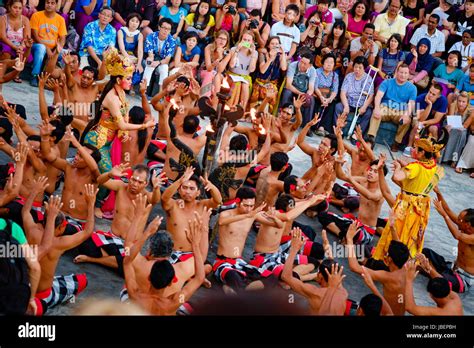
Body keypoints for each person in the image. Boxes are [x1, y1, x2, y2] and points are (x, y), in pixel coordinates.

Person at [373, 128, 449, 261]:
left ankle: (389, 258)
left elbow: (397, 177)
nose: (413, 150)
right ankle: (406, 259)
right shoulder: (433, 165)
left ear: (422, 152)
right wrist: (404, 166)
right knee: (411, 235)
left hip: (406, 205)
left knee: (397, 231)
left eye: (416, 148)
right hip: (420, 204)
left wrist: (398, 167)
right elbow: (417, 182)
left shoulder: (415, 167)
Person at [74, 164, 163, 273]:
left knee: (127, 263)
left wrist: (157, 188)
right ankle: (112, 260)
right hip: (112, 237)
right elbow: (100, 181)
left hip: (130, 244)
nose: (135, 184)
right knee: (84, 241)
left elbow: (155, 199)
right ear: (129, 178)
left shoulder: (147, 197)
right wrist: (109, 174)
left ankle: (93, 259)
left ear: (146, 184)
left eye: (139, 182)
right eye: (133, 180)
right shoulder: (121, 186)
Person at [123, 196, 205, 315]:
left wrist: (142, 226)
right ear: (172, 281)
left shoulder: (135, 295)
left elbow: (127, 253)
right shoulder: (173, 302)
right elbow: (199, 277)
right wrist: (196, 243)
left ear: (149, 277)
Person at [81, 47, 156, 175]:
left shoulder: (121, 92)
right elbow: (121, 124)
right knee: (109, 176)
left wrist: (124, 131)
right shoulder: (112, 98)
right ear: (118, 80)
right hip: (97, 141)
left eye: (131, 78)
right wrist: (144, 125)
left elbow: (125, 113)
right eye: (128, 78)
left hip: (107, 141)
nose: (131, 82)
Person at [30, 186, 97, 315]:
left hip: (26, 286)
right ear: (61, 227)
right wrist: (91, 204)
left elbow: (25, 212)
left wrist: (34, 192)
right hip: (43, 295)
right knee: (82, 280)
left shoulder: (31, 230)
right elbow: (88, 231)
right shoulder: (60, 243)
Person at [215, 187, 278, 294]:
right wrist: (247, 215)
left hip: (239, 262)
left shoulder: (253, 215)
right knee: (236, 279)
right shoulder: (226, 214)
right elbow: (221, 222)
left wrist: (273, 216)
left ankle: (235, 290)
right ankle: (239, 290)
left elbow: (276, 224)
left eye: (251, 206)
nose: (249, 209)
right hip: (223, 262)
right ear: (238, 202)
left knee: (271, 278)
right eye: (246, 205)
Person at [39, 128, 101, 236]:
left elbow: (95, 168)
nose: (76, 157)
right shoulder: (69, 167)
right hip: (61, 216)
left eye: (81, 156)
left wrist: (77, 144)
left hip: (78, 223)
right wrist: (44, 137)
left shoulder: (94, 178)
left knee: (51, 233)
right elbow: (48, 155)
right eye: (77, 153)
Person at [347, 221, 410, 315]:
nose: (385, 255)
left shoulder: (388, 276)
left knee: (348, 306)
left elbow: (354, 267)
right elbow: (399, 247)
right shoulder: (406, 267)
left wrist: (349, 239)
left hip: (387, 313)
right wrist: (392, 228)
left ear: (389, 259)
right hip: (398, 313)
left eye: (387, 254)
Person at [323, 154, 387, 245]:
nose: (371, 173)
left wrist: (352, 180)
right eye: (370, 170)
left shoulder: (381, 192)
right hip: (355, 223)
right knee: (323, 216)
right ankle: (342, 235)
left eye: (375, 171)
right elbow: (341, 176)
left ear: (381, 176)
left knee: (356, 234)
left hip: (366, 231)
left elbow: (370, 196)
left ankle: (347, 237)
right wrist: (337, 163)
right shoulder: (363, 181)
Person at [161, 166, 221, 264]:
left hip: (193, 255)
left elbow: (218, 201)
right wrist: (180, 181)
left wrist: (211, 187)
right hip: (172, 253)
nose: (187, 191)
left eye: (192, 188)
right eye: (184, 188)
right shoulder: (173, 205)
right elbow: (164, 198)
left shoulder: (202, 205)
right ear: (179, 190)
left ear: (198, 193)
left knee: (207, 267)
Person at [281, 228, 349, 315]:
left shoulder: (315, 292)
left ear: (320, 276)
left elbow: (285, 276)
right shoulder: (343, 292)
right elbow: (333, 269)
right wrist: (327, 247)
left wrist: (294, 249)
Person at [420, 191, 474, 293]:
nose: (457, 220)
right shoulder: (464, 226)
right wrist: (438, 192)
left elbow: (457, 235)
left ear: (467, 224)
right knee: (426, 252)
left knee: (439, 284)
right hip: (452, 268)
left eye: (460, 219)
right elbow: (448, 210)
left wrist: (444, 215)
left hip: (463, 279)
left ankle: (429, 270)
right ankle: (431, 271)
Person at [367, 63, 417, 152]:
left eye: (405, 73)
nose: (403, 75)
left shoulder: (412, 88)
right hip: (386, 107)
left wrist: (406, 115)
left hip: (400, 110)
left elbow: (411, 103)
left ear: (409, 75)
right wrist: (377, 108)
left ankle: (396, 142)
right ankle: (371, 139)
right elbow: (378, 96)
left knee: (407, 120)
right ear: (397, 72)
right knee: (376, 113)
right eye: (401, 72)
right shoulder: (387, 82)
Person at [29, 0, 67, 87]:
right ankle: (34, 76)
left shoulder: (60, 19)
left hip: (53, 49)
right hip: (37, 46)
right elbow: (35, 36)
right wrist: (47, 48)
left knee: (66, 54)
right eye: (47, 2)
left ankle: (56, 78)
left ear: (56, 5)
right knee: (41, 48)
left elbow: (62, 38)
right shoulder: (36, 15)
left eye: (52, 3)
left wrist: (57, 51)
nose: (49, 5)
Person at [335, 56, 374, 135]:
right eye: (356, 67)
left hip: (361, 105)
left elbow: (371, 95)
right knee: (338, 107)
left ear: (364, 69)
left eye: (360, 68)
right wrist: (346, 106)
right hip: (349, 103)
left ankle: (356, 135)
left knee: (368, 113)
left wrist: (364, 107)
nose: (357, 69)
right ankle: (338, 131)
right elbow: (343, 92)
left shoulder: (368, 79)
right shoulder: (349, 77)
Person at [249, 36, 287, 111]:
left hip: (272, 85)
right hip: (260, 83)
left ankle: (266, 114)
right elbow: (262, 70)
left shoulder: (280, 56)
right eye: (272, 44)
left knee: (271, 92)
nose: (274, 46)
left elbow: (284, 68)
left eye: (277, 44)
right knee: (262, 92)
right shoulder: (263, 54)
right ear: (268, 45)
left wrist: (283, 54)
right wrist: (270, 59)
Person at [279, 53, 316, 129]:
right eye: (301, 62)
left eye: (305, 64)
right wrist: (300, 94)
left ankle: (306, 126)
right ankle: (282, 119)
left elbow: (311, 88)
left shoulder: (313, 71)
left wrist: (307, 95)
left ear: (310, 65)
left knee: (311, 99)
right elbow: (288, 84)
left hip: (303, 92)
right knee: (287, 93)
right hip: (292, 89)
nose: (302, 65)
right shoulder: (293, 65)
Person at [224, 30, 258, 110]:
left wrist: (252, 54)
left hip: (245, 76)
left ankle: (241, 110)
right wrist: (236, 51)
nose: (246, 42)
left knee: (245, 86)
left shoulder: (255, 53)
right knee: (237, 84)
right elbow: (231, 65)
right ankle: (229, 107)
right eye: (244, 40)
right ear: (241, 40)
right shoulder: (234, 49)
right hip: (233, 74)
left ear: (252, 42)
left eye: (248, 40)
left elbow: (252, 69)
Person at [143, 18, 177, 92]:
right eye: (164, 28)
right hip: (153, 57)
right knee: (149, 65)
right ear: (159, 27)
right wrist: (151, 60)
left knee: (164, 68)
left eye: (168, 29)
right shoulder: (151, 36)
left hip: (162, 61)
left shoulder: (172, 41)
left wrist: (158, 62)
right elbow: (150, 54)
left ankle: (160, 93)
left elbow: (167, 59)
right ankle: (143, 90)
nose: (165, 31)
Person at [0, 0, 32, 75]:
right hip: (6, 42)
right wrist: (15, 47)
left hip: (20, 44)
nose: (17, 10)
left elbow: (26, 38)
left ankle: (16, 73)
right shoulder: (3, 19)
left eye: (20, 8)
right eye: (15, 7)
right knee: (6, 51)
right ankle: (2, 72)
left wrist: (21, 47)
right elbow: (3, 37)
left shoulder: (25, 20)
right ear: (9, 7)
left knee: (24, 52)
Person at [441, 92, 471, 167]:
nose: (461, 104)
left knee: (462, 133)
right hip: (450, 124)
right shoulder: (453, 105)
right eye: (459, 101)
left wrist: (461, 128)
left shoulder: (469, 111)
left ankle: (454, 159)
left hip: (462, 128)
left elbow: (465, 126)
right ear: (457, 100)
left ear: (467, 103)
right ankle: (442, 156)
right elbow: (451, 119)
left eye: (463, 102)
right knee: (448, 130)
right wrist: (449, 126)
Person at [116, 13, 145, 91]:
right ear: (128, 21)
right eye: (132, 21)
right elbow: (122, 48)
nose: (134, 23)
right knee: (126, 63)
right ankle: (119, 84)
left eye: (137, 22)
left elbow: (140, 51)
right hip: (120, 53)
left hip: (131, 55)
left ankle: (130, 86)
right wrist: (129, 60)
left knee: (139, 67)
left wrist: (139, 64)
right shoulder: (121, 31)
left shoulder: (139, 35)